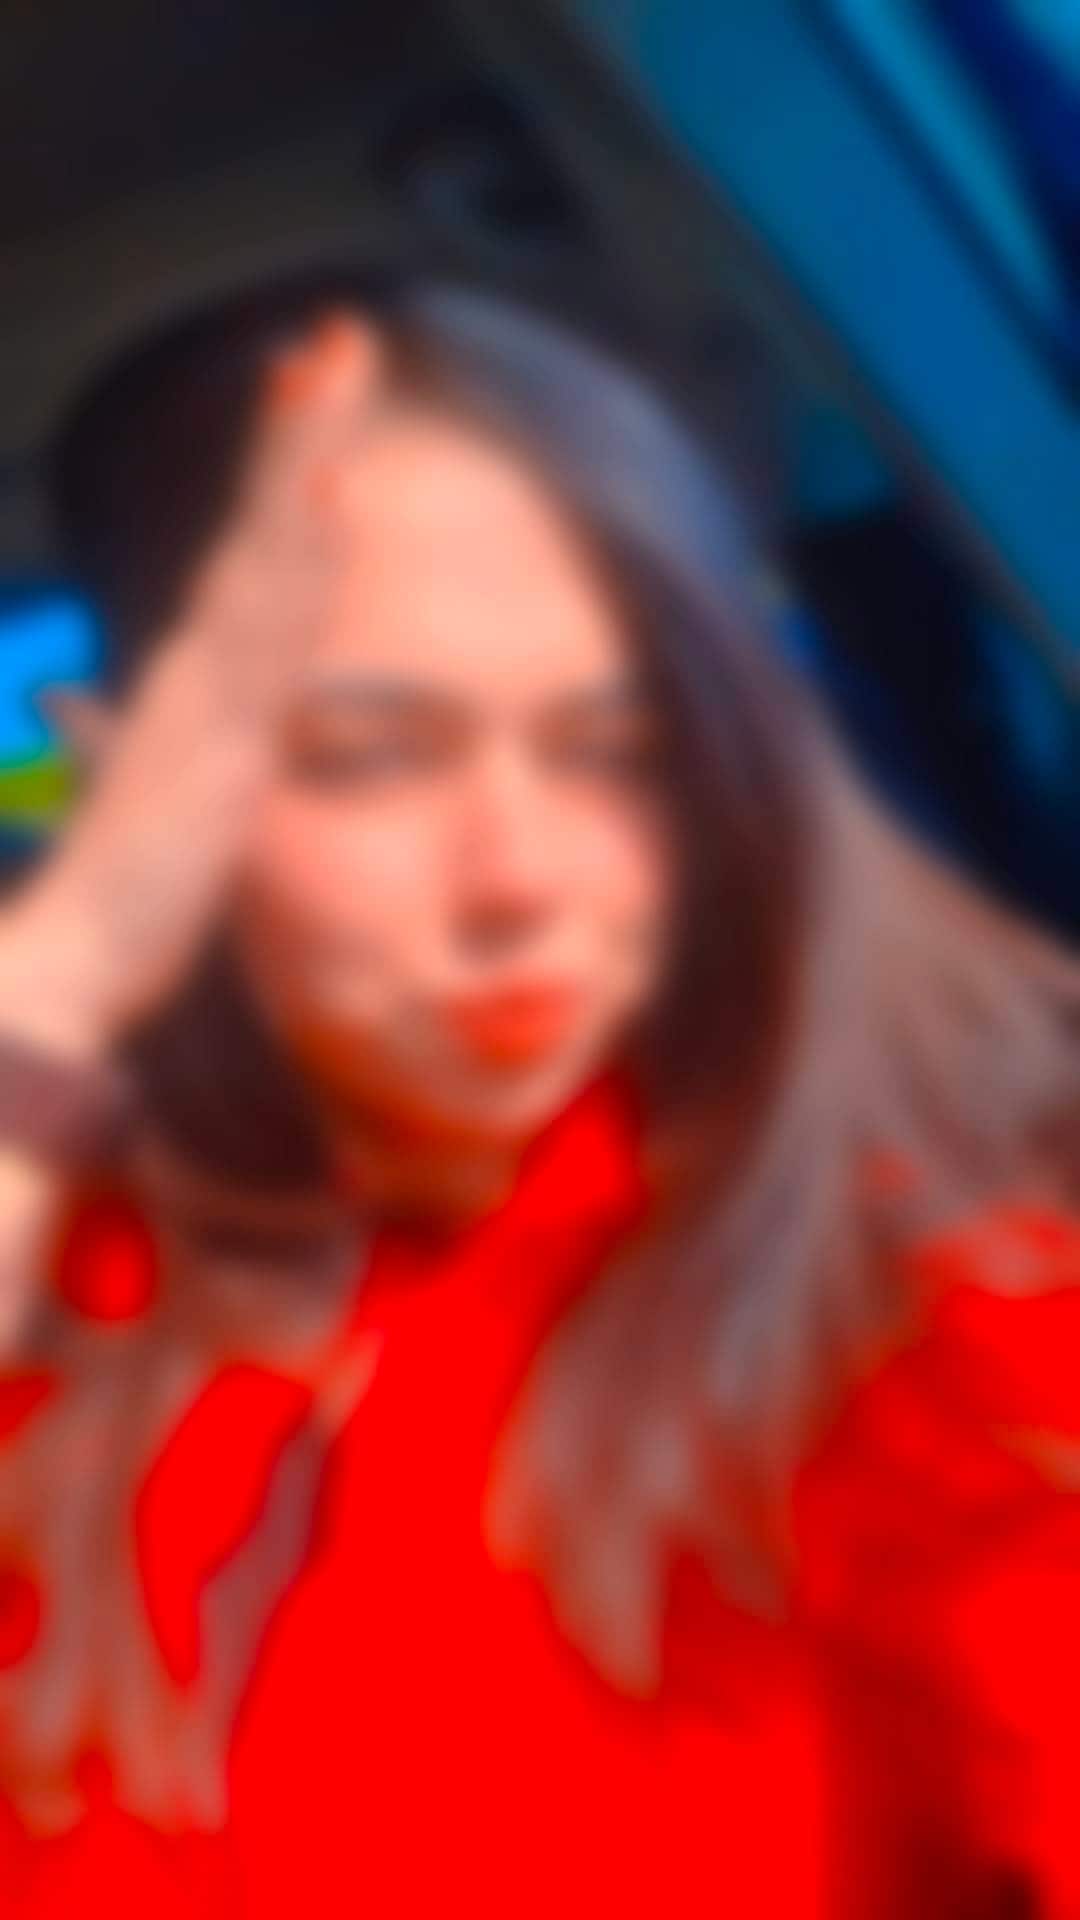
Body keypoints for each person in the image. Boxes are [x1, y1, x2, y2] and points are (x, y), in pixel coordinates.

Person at [0, 269, 1074, 1917]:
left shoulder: (931, 1320)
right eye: (365, 753)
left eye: (617, 746)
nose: (524, 876)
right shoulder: (90, 1273)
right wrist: (63, 973)